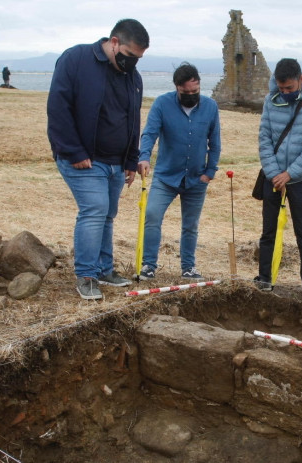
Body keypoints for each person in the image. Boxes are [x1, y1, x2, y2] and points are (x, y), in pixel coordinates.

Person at [47, 19, 149, 300]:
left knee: (107, 215)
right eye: (130, 57)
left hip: (116, 162)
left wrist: (130, 160)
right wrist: (74, 151)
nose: (133, 64)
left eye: (139, 59)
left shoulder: (133, 77)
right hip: (83, 159)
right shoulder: (76, 60)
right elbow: (58, 108)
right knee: (94, 210)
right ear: (114, 42)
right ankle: (87, 275)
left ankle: (104, 270)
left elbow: (132, 119)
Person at [137, 62, 221, 280]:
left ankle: (188, 267)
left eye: (196, 91)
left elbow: (215, 142)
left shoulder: (211, 107)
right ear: (177, 87)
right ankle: (148, 265)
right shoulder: (162, 104)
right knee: (152, 216)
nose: (192, 95)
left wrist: (209, 171)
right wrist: (144, 157)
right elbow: (149, 134)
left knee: (191, 225)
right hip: (165, 177)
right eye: (186, 92)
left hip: (196, 178)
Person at [255, 58, 302, 292]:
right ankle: (264, 277)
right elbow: (264, 138)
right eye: (281, 88)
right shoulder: (270, 100)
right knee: (268, 231)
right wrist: (275, 173)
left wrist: (290, 174)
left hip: (300, 180)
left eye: (289, 88)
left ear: (301, 79)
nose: (284, 92)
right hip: (272, 178)